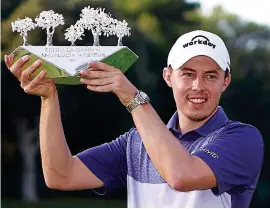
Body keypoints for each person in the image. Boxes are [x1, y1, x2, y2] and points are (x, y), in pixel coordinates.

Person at [5, 30, 264, 208]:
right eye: (187, 73)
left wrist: (131, 96)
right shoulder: (135, 144)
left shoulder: (243, 139)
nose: (198, 85)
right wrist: (49, 98)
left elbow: (181, 175)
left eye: (210, 75)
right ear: (168, 76)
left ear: (225, 81)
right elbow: (60, 175)